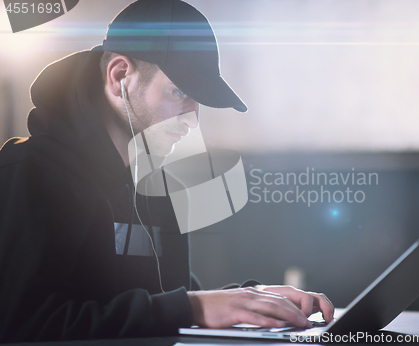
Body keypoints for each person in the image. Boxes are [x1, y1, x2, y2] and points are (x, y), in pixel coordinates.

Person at [0, 0, 334, 342]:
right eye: (180, 93)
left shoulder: (154, 183)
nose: (193, 120)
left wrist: (253, 300)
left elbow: (165, 303)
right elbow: (20, 325)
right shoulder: (29, 174)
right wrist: (194, 308)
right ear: (120, 77)